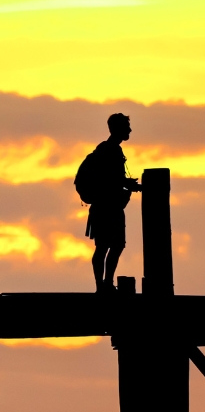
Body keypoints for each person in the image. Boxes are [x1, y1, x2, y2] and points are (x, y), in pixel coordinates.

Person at [75, 113, 141, 292]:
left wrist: (126, 184)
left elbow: (114, 180)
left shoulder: (111, 150)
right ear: (117, 129)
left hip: (110, 207)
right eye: (126, 126)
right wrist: (127, 184)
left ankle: (106, 284)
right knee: (105, 247)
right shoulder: (109, 150)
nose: (129, 130)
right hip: (106, 208)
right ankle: (103, 285)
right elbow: (111, 180)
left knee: (114, 246)